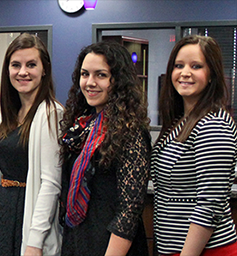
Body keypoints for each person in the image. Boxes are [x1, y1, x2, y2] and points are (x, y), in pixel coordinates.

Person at [59, 41, 150, 256]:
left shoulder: (131, 131)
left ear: (118, 80)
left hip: (112, 246)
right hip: (78, 239)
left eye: (100, 75)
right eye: (84, 74)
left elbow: (129, 211)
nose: (90, 82)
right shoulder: (81, 127)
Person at [152, 35, 237, 256]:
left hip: (204, 250)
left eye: (196, 66)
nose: (185, 73)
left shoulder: (214, 124)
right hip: (175, 247)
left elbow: (210, 204)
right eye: (179, 66)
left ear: (211, 75)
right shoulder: (180, 121)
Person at [0, 33, 63, 256]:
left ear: (44, 69)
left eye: (31, 65)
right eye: (15, 65)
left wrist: (35, 242)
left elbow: (51, 183)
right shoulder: (13, 114)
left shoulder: (50, 113)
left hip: (27, 217)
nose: (22, 72)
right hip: (3, 213)